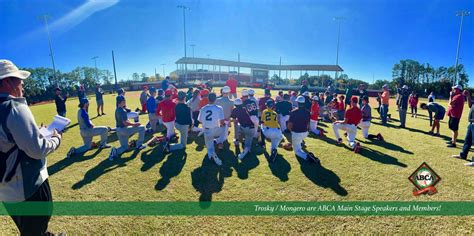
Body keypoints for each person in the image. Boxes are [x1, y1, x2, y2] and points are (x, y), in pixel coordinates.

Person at [0, 59, 62, 235]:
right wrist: (56, 139)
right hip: (28, 188)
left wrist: (36, 133)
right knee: (36, 226)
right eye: (19, 79)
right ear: (7, 81)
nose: (22, 84)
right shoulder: (14, 107)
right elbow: (37, 150)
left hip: (6, 190)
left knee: (29, 229)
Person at [109, 95, 146, 160]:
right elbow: (125, 123)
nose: (125, 102)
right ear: (122, 102)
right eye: (124, 101)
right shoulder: (122, 110)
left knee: (124, 147)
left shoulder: (117, 109)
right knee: (142, 127)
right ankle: (139, 145)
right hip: (124, 130)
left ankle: (115, 151)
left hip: (118, 130)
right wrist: (134, 124)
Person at [288, 96, 319, 162]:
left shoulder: (293, 112)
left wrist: (291, 132)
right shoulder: (308, 112)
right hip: (305, 133)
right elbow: (308, 124)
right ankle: (300, 144)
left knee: (297, 151)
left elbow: (289, 125)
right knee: (298, 142)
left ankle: (308, 157)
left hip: (297, 133)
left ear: (298, 103)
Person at [198, 93, 225, 166]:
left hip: (207, 130)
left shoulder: (203, 108)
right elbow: (222, 122)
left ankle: (212, 155)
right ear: (215, 99)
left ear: (208, 99)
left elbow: (200, 121)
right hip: (217, 130)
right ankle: (219, 141)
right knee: (224, 128)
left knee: (209, 146)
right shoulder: (219, 108)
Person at [452, 91, 474, 166]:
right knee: (467, 141)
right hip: (471, 124)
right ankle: (463, 155)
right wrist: (468, 96)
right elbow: (470, 105)